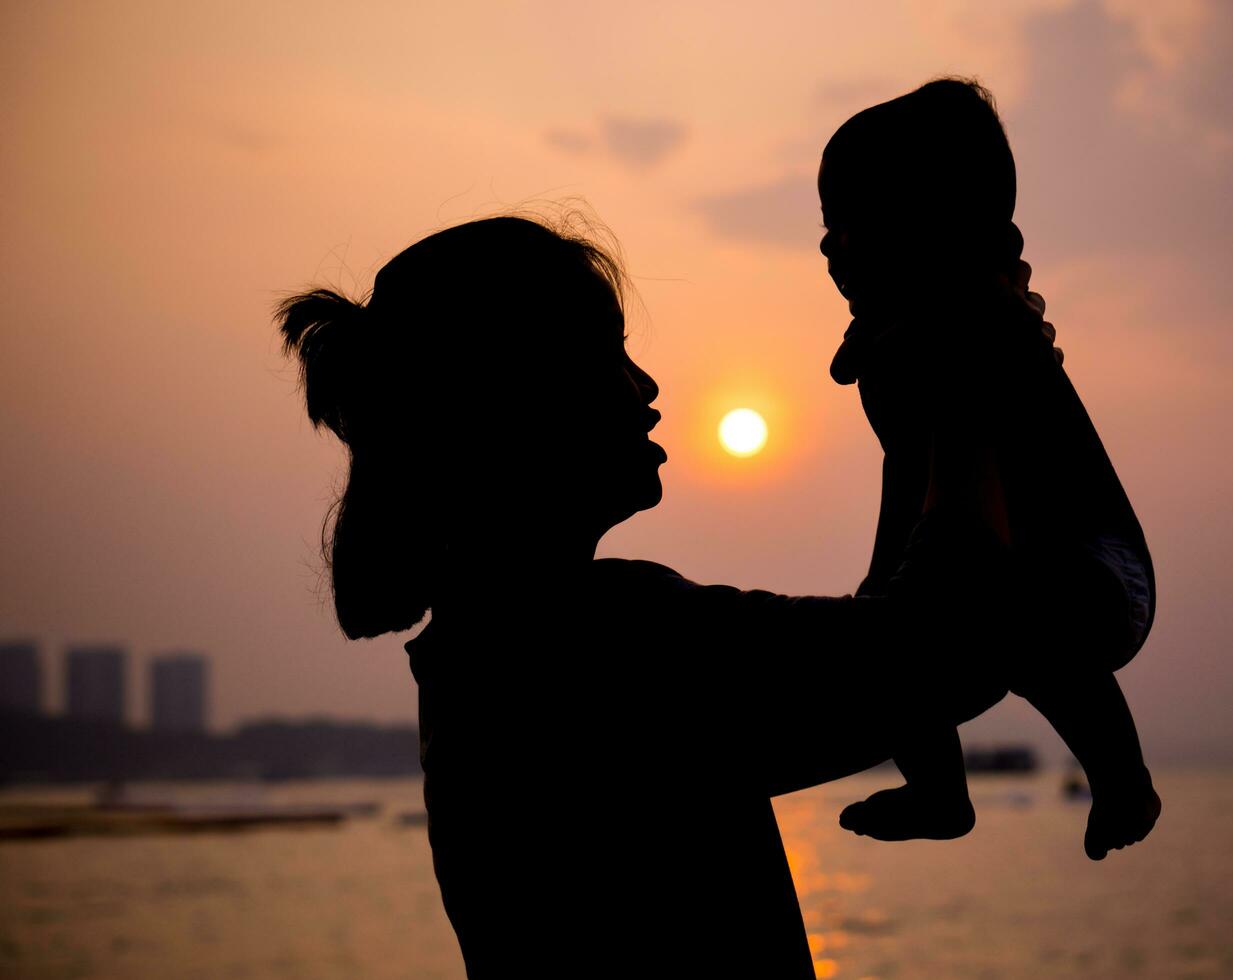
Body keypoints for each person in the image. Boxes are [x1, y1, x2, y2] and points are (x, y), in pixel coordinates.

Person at [274, 212, 1082, 977]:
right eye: (610, 355)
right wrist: (969, 389)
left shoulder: (489, 658)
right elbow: (943, 655)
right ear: (521, 403)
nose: (647, 384)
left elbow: (889, 649)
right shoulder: (599, 649)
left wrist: (926, 429)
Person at [818, 77, 1162, 859]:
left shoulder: (984, 321)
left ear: (929, 229)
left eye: (850, 224)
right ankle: (939, 789)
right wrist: (886, 586)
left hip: (1093, 564)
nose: (829, 247)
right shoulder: (894, 347)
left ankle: (1122, 778)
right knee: (896, 629)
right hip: (982, 556)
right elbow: (908, 484)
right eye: (827, 226)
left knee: (1021, 618)